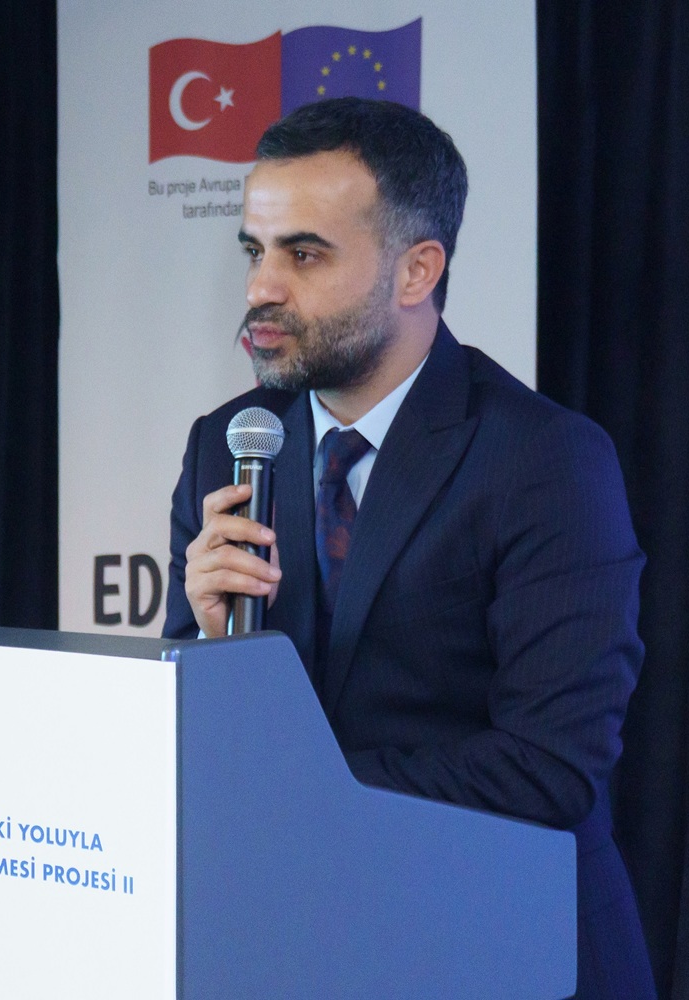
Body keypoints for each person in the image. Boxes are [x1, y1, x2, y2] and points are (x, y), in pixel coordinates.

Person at [162, 98, 656, 1000]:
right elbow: (190, 738)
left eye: (304, 254)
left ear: (417, 270)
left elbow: (549, 766)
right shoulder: (227, 443)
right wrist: (203, 646)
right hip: (294, 943)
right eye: (254, 251)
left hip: (495, 942)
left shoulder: (546, 460)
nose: (262, 288)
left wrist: (292, 786)